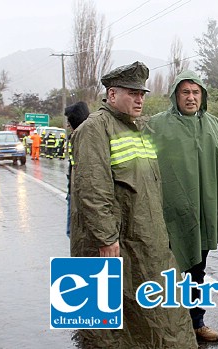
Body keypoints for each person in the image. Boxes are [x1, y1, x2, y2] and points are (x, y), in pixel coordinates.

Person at [70, 61, 197, 348]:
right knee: (107, 326)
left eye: (142, 94)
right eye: (132, 93)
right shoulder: (95, 129)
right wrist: (105, 238)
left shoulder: (137, 130)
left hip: (146, 242)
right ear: (112, 95)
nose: (140, 99)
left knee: (157, 319)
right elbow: (92, 188)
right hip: (114, 245)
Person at [143, 70, 218, 343]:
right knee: (165, 272)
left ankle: (196, 323)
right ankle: (165, 326)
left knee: (197, 271)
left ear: (203, 96)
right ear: (175, 95)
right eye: (185, 92)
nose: (191, 97)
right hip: (169, 216)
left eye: (196, 92)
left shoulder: (215, 125)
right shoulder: (156, 125)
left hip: (203, 215)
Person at [64, 101, 89, 238]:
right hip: (73, 193)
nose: (67, 125)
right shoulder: (75, 138)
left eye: (69, 121)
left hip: (79, 196)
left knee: (74, 233)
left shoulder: (83, 139)